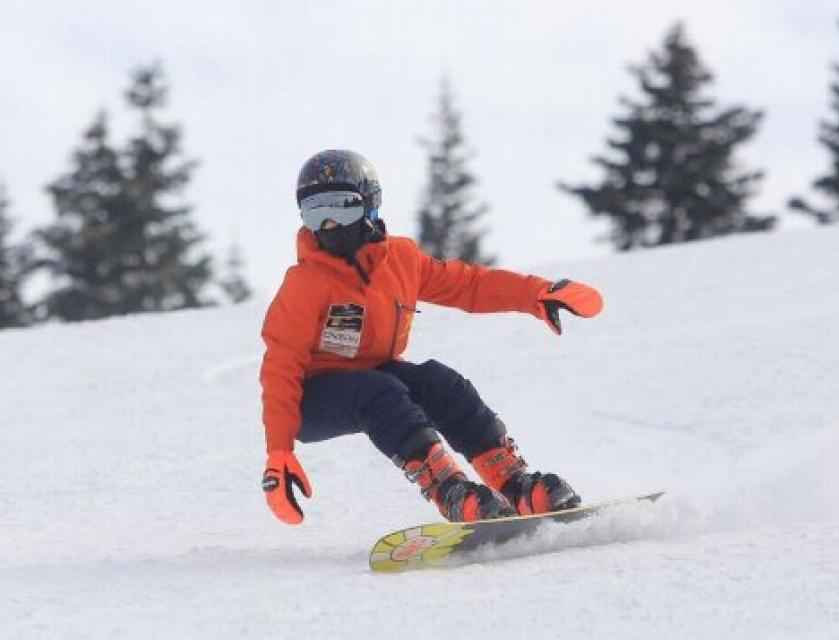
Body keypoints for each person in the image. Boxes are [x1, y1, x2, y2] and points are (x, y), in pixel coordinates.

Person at [259, 149, 604, 525]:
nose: (328, 225)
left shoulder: (401, 260)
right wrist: (279, 452)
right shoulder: (305, 284)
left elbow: (468, 285)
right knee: (379, 391)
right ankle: (451, 491)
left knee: (441, 383)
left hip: (376, 375)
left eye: (342, 207)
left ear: (371, 205)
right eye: (314, 213)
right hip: (310, 399)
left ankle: (515, 484)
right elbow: (280, 366)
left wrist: (537, 294)